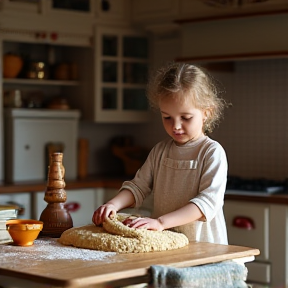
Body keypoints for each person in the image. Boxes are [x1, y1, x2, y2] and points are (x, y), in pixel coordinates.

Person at [92, 62, 229, 245]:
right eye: (167, 117)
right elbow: (138, 187)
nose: (176, 126)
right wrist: (113, 204)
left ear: (206, 113)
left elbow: (206, 204)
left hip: (203, 249)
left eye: (186, 118)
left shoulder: (211, 152)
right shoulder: (160, 151)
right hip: (165, 243)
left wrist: (160, 222)